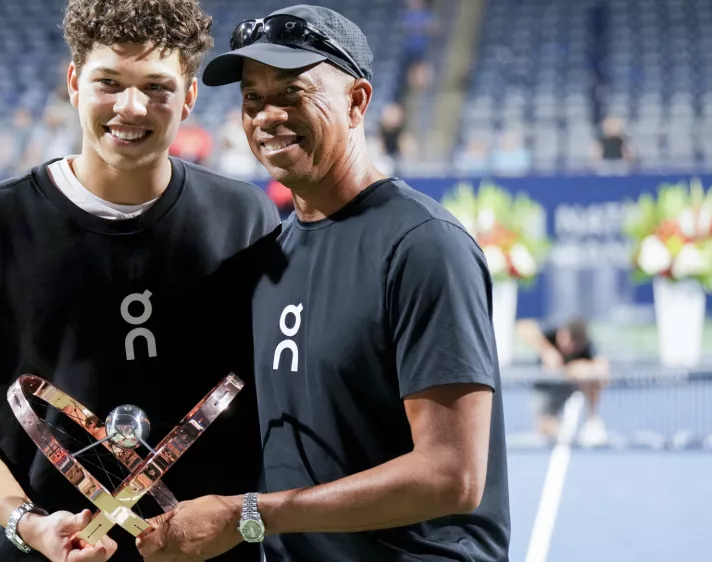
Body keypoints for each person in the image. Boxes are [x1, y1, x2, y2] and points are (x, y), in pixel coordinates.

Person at [135, 5, 510, 562]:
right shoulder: (271, 257)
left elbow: (451, 474)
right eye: (252, 99)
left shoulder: (424, 245)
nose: (266, 116)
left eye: (291, 94)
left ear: (357, 102)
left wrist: (249, 515)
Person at [0, 1, 280, 561]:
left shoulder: (248, 220)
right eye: (110, 82)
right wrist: (28, 521)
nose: (131, 108)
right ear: (75, 83)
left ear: (190, 97)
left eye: (156, 86)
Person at [516, 318, 610, 446]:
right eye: (565, 338)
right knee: (546, 429)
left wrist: (573, 369)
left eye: (573, 342)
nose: (568, 344)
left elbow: (603, 369)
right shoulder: (550, 336)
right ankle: (560, 428)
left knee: (592, 379)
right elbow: (523, 326)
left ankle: (592, 421)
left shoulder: (588, 347)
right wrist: (546, 350)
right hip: (547, 391)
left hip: (571, 386)